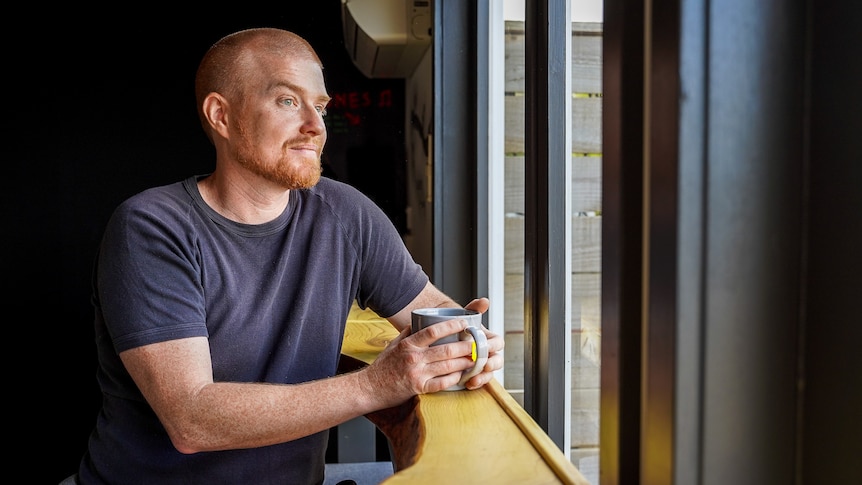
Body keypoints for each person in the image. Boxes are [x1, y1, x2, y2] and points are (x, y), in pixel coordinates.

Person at [72, 27, 503, 484]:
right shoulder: (152, 228)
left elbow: (435, 317)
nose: (316, 127)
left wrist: (468, 346)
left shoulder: (345, 213)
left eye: (319, 106)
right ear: (221, 115)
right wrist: (377, 384)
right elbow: (191, 420)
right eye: (287, 101)